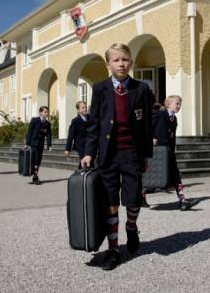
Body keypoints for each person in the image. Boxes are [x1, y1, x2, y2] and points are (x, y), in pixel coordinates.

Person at [81, 43, 154, 271]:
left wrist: (147, 155)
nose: (121, 64)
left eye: (125, 59)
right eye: (116, 60)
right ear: (108, 64)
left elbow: (147, 125)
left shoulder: (141, 89)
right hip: (108, 155)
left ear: (131, 62)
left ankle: (131, 227)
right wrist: (88, 153)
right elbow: (94, 124)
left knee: (132, 199)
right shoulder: (100, 88)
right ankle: (114, 248)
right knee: (110, 202)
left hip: (131, 152)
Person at [152, 95, 192, 210]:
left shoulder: (174, 119)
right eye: (177, 104)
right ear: (168, 104)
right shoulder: (160, 114)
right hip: (157, 150)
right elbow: (149, 126)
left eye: (180, 104)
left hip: (169, 151)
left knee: (176, 174)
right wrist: (153, 136)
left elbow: (172, 136)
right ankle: (141, 197)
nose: (179, 106)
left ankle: (182, 199)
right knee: (150, 174)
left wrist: (172, 150)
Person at [25, 106, 52, 184]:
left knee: (39, 159)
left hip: (41, 144)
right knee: (36, 158)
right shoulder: (34, 120)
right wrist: (27, 143)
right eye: (45, 112)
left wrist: (49, 145)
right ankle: (35, 176)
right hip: (33, 143)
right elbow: (29, 132)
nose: (46, 113)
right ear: (40, 112)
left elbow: (49, 135)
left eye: (47, 112)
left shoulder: (47, 123)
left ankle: (35, 175)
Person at [64, 101, 89, 169]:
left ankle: (82, 174)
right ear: (78, 110)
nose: (85, 109)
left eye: (85, 107)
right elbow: (70, 135)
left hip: (90, 144)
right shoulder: (75, 121)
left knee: (89, 161)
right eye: (83, 108)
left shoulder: (90, 118)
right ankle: (82, 175)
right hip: (81, 145)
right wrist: (67, 149)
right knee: (84, 160)